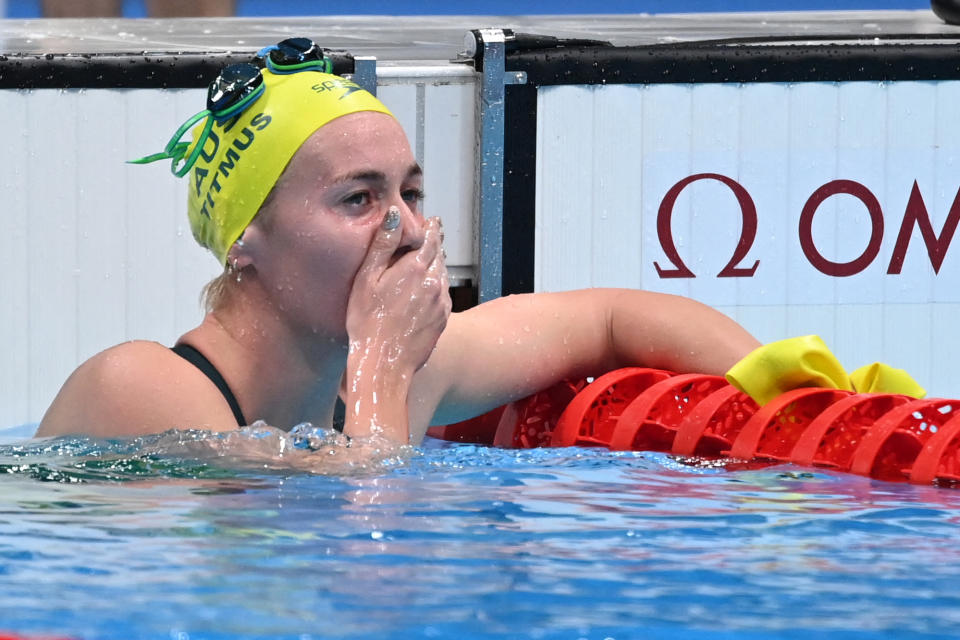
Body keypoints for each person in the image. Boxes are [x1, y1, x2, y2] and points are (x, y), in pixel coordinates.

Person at [35, 39, 762, 444]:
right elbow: (365, 566)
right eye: (360, 198)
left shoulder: (406, 375)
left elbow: (610, 318)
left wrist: (781, 394)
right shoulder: (140, 390)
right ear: (245, 242)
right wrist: (383, 364)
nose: (407, 229)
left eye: (410, 193)